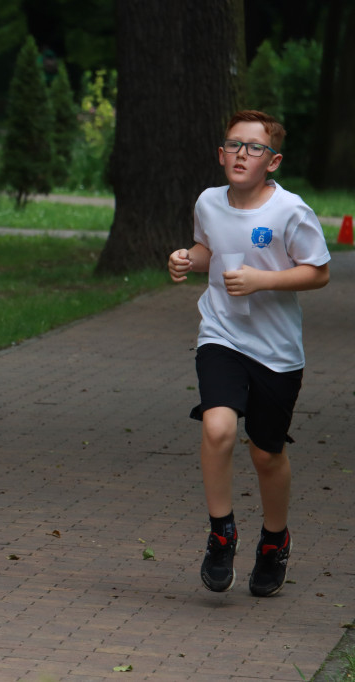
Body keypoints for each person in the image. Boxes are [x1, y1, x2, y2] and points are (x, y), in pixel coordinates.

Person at [168, 110, 330, 596]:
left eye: (254, 147)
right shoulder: (208, 202)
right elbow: (208, 250)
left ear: (272, 161)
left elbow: (318, 271)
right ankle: (222, 535)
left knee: (266, 453)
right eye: (234, 144)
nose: (242, 153)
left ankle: (274, 541)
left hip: (277, 352)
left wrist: (264, 280)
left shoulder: (290, 211)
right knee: (217, 428)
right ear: (221, 155)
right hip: (221, 335)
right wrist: (187, 259)